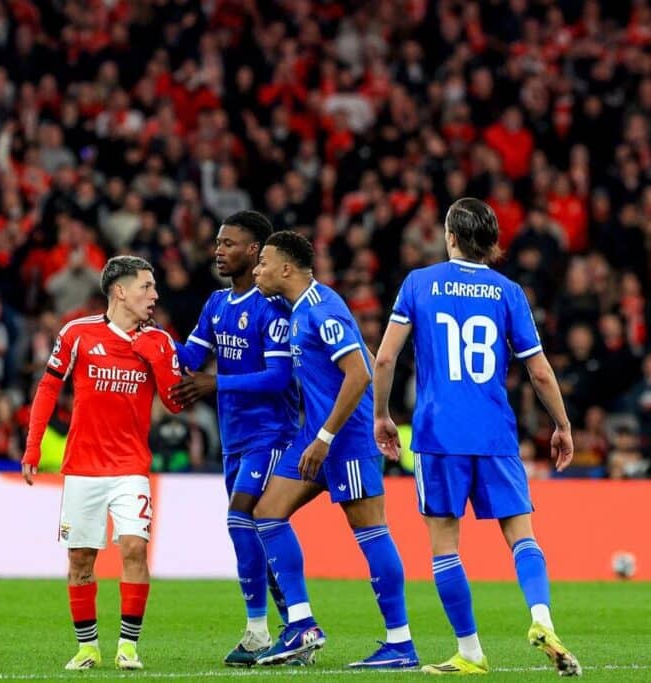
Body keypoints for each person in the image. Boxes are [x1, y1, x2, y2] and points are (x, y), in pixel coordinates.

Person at [372, 198, 582, 676]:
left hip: (437, 435)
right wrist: (563, 425)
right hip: (496, 435)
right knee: (522, 537)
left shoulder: (418, 284)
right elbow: (540, 372)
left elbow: (384, 360)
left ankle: (470, 652)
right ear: (492, 243)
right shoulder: (508, 292)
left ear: (450, 238)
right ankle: (541, 618)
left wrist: (382, 416)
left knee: (445, 547)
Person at [249, 230, 418, 669]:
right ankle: (302, 624)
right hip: (316, 436)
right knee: (267, 513)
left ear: (286, 267)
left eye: (263, 262)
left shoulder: (323, 310)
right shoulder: (298, 309)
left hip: (346, 439)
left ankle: (400, 643)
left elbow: (359, 373)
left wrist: (325, 438)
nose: (257, 270)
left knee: (371, 532)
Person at [22, 256, 184, 671]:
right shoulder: (77, 334)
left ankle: (128, 647)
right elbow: (47, 388)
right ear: (119, 291)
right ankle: (88, 647)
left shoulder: (160, 341)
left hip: (131, 467)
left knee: (134, 547)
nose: (155, 294)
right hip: (82, 468)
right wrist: (33, 447)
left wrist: (157, 359)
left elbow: (174, 402)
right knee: (80, 560)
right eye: (146, 286)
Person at [169, 211, 302, 666]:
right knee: (255, 533)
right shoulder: (215, 304)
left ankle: (258, 632)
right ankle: (295, 628)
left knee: (239, 517)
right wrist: (147, 333)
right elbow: (190, 356)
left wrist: (216, 383)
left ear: (254, 251)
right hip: (235, 437)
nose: (218, 250)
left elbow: (279, 376)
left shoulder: (273, 309)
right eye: (218, 243)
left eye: (229, 243)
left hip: (271, 434)